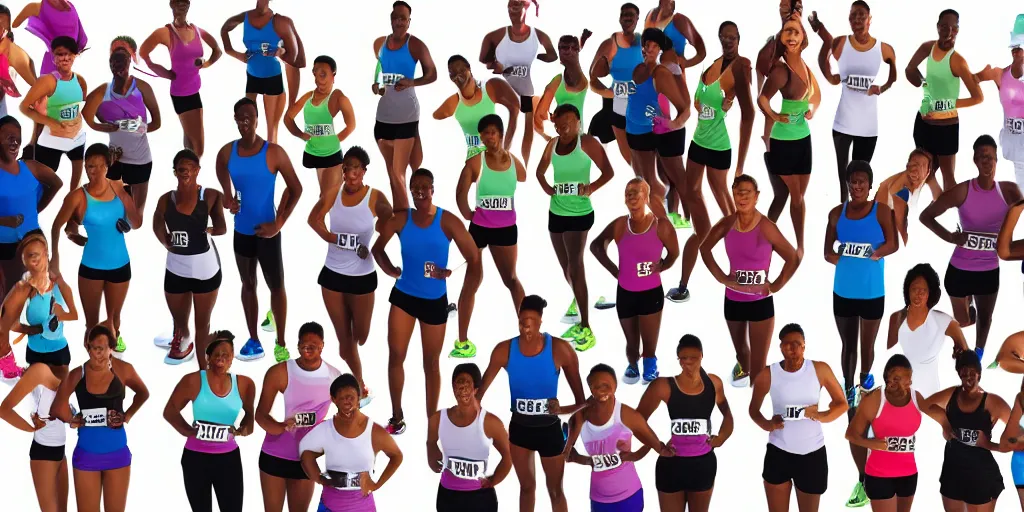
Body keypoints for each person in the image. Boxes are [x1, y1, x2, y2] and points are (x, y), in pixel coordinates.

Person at [371, 168, 480, 435]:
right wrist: (390, 270)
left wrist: (450, 271)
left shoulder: (448, 221)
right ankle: (397, 416)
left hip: (434, 301)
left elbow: (474, 255)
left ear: (433, 189)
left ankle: (432, 421)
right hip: (404, 297)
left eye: (425, 187)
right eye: (415, 187)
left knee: (431, 363)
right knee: (396, 356)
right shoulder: (401, 219)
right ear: (410, 190)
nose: (420, 191)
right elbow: (377, 248)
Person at [823, 160, 899, 507]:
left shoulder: (881, 211)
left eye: (862, 182)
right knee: (847, 344)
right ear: (848, 184)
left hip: (872, 291)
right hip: (843, 290)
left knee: (867, 346)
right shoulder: (835, 213)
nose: (856, 186)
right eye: (852, 181)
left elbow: (893, 243)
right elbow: (827, 251)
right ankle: (849, 384)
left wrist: (876, 253)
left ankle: (866, 374)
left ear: (869, 185)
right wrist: (838, 257)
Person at [669, 20, 756, 303]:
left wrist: (741, 164)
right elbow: (697, 104)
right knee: (691, 194)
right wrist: (720, 104)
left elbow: (749, 115)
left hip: (719, 147)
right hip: (698, 143)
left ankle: (745, 258)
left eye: (732, 37)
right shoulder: (711, 66)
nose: (728, 41)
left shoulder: (741, 67)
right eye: (724, 36)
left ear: (739, 38)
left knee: (731, 214)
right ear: (719, 38)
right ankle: (688, 276)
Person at [478, 294, 586, 512]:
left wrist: (564, 419)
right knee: (526, 488)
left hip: (550, 431)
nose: (524, 330)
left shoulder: (560, 349)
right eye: (521, 323)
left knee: (555, 490)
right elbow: (479, 394)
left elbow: (582, 403)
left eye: (529, 325)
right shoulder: (504, 351)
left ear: (540, 323)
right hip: (520, 430)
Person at [215, 97, 302, 363]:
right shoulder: (227, 152)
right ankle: (253, 338)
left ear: (257, 120)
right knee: (247, 284)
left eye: (249, 117)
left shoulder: (273, 152)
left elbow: (295, 188)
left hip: (268, 233)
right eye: (239, 117)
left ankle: (281, 342)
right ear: (235, 119)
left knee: (276, 285)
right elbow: (220, 167)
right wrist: (227, 196)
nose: (244, 122)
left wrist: (279, 223)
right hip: (241, 231)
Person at [920, 135, 1021, 363]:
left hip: (988, 269)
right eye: (982, 157)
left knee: (986, 318)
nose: (987, 161)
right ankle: (968, 307)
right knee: (965, 321)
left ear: (997, 160)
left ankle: (978, 354)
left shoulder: (1009, 191)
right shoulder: (963, 191)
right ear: (975, 160)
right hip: (960, 270)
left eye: (991, 157)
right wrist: (950, 237)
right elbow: (926, 216)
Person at [699, 175, 800, 387]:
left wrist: (775, 286)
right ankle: (742, 365)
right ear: (733, 195)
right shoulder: (727, 223)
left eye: (748, 192)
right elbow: (704, 248)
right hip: (733, 300)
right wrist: (722, 278)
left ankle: (755, 412)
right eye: (738, 192)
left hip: (760, 304)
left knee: (757, 370)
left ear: (757, 197)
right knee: (743, 357)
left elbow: (793, 256)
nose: (743, 196)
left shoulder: (766, 227)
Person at [309, 147, 391, 405]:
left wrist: (379, 238)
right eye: (346, 168)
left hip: (363, 276)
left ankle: (350, 347)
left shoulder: (375, 197)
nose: (350, 173)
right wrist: (334, 238)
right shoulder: (333, 193)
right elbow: (314, 220)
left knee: (362, 336)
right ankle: (359, 384)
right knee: (346, 343)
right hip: (332, 274)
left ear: (364, 171)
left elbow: (393, 222)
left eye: (355, 168)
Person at [535, 103, 614, 349]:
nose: (563, 127)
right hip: (556, 212)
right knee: (566, 268)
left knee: (576, 264)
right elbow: (539, 172)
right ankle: (581, 307)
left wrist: (590, 188)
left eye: (568, 122)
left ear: (578, 122)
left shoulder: (588, 143)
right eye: (558, 123)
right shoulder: (552, 145)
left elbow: (608, 172)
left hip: (579, 213)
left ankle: (587, 326)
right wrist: (549, 189)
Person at [50, 143, 141, 354]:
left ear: (108, 166)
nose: (96, 171)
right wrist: (56, 257)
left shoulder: (120, 188)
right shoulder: (77, 197)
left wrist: (126, 203)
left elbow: (137, 223)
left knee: (113, 322)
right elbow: (57, 226)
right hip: (91, 267)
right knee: (91, 326)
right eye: (91, 166)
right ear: (85, 167)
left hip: (120, 265)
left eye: (101, 166)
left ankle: (111, 364)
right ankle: (93, 371)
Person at [748, 323, 849, 512]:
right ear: (780, 347)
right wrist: (768, 424)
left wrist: (819, 415)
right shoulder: (768, 374)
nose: (793, 348)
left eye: (797, 343)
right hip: (779, 452)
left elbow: (842, 404)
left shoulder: (820, 369)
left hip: (812, 454)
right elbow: (753, 411)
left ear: (804, 345)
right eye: (787, 343)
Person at [50, 325, 149, 512]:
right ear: (88, 348)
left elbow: (143, 393)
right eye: (95, 348)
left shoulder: (124, 370)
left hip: (117, 455)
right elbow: (57, 407)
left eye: (103, 348)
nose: (99, 354)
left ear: (111, 348)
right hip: (87, 456)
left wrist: (127, 416)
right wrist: (71, 419)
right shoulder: (77, 375)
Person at [453, 114, 527, 358]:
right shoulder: (476, 162)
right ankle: (462, 340)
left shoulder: (513, 163)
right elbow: (461, 193)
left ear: (501, 134)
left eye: (492, 132)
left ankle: (529, 331)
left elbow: (524, 175)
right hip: (480, 228)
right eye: (484, 133)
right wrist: (468, 214)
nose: (488, 137)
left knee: (512, 280)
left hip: (506, 228)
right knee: (472, 280)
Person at [807, 1, 897, 200]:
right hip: (842, 124)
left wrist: (882, 88)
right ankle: (842, 215)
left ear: (869, 19)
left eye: (861, 15)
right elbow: (826, 52)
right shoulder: (841, 43)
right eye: (852, 15)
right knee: (844, 180)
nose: (857, 19)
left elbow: (894, 74)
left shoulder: (883, 49)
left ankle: (860, 215)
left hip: (868, 127)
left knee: (861, 178)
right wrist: (830, 76)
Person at [591, 177, 679, 383]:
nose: (631, 196)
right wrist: (615, 271)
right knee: (631, 345)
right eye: (627, 192)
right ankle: (632, 364)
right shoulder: (620, 225)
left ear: (647, 197)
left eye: (636, 192)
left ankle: (650, 363)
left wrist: (663, 265)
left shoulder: (661, 226)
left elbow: (674, 252)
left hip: (651, 294)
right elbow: (596, 246)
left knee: (649, 344)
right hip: (625, 293)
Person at [635, 334, 734, 512]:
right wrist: (656, 446)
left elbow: (727, 414)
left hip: (703, 465)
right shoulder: (663, 386)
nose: (687, 363)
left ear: (702, 356)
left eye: (693, 358)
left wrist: (722, 437)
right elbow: (636, 421)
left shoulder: (714, 383)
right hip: (671, 466)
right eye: (683, 358)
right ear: (678, 359)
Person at [164, 331, 255, 512]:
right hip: (195, 459)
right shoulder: (194, 380)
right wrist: (188, 431)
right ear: (208, 358)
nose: (221, 359)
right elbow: (170, 411)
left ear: (232, 359)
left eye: (226, 355)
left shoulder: (246, 384)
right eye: (217, 355)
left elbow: (250, 420)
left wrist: (242, 430)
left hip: (228, 459)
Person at [255, 322, 341, 512]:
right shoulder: (280, 372)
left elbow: (346, 415)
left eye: (314, 345)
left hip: (306, 459)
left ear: (323, 345)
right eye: (304, 345)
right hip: (274, 454)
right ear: (297, 345)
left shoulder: (334, 376)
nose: (308, 350)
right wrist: (278, 426)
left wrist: (329, 428)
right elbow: (260, 415)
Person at [563, 363, 673, 511]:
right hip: (599, 498)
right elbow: (572, 456)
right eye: (596, 386)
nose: (602, 390)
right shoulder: (580, 417)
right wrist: (581, 457)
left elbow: (654, 443)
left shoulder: (627, 415)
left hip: (629, 495)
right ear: (590, 388)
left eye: (606, 385)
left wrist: (636, 455)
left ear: (615, 385)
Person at [153, 149, 226, 367]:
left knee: (201, 324)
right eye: (181, 168)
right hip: (176, 268)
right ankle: (182, 338)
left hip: (205, 268)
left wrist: (208, 230)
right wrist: (164, 239)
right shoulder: (166, 199)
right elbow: (157, 222)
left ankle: (204, 371)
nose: (185, 172)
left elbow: (221, 227)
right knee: (180, 320)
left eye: (190, 168)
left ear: (197, 171)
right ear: (174, 172)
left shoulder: (211, 195)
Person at [759, 11, 820, 254]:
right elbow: (762, 99)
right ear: (782, 38)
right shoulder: (781, 71)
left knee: (796, 197)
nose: (792, 35)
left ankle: (796, 243)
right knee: (790, 196)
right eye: (787, 31)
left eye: (796, 31)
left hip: (804, 139)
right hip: (782, 141)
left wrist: (812, 110)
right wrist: (774, 116)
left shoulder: (804, 66)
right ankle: (786, 245)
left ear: (803, 36)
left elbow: (816, 96)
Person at [82, 37, 162, 221]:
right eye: (114, 61)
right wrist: (103, 127)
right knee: (109, 210)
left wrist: (138, 127)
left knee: (136, 218)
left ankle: (123, 213)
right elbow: (87, 113)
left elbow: (157, 123)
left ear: (130, 62)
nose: (119, 65)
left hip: (140, 159)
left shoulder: (142, 87)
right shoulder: (104, 90)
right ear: (110, 64)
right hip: (115, 159)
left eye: (123, 60)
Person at [298, 374, 404, 512]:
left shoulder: (374, 431)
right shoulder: (326, 429)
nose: (347, 402)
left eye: (351, 397)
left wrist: (377, 485)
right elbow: (305, 453)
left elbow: (397, 456)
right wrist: (319, 478)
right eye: (342, 398)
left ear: (359, 397)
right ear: (333, 399)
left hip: (363, 507)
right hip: (329, 506)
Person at [905, 9, 984, 191]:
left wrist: (950, 103)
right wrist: (923, 83)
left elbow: (978, 97)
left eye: (953, 28)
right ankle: (929, 209)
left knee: (948, 180)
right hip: (924, 123)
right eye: (944, 27)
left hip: (946, 126)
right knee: (923, 174)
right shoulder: (927, 48)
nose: (948, 32)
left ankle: (958, 216)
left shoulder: (958, 61)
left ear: (957, 30)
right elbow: (909, 69)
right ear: (938, 27)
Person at [373, 1, 436, 212]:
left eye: (403, 18)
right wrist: (377, 86)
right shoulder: (380, 44)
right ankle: (401, 219)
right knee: (392, 173)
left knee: (400, 172)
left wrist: (412, 81)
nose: (399, 22)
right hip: (383, 116)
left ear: (409, 22)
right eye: (395, 18)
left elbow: (432, 74)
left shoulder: (415, 45)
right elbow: (381, 75)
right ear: (391, 19)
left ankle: (412, 217)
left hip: (407, 115)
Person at [844, 355, 928, 511]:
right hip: (879, 474)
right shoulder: (874, 399)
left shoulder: (916, 397)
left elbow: (938, 412)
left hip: (909, 473)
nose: (906, 383)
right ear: (888, 380)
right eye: (898, 379)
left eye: (908, 379)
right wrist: (871, 443)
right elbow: (851, 434)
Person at [139, 0, 222, 158]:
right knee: (198, 148)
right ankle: (188, 176)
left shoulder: (197, 30)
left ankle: (186, 177)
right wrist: (164, 72)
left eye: (185, 1)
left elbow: (217, 51)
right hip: (181, 93)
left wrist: (205, 63)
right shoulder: (165, 32)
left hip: (195, 90)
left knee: (191, 144)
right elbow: (143, 53)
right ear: (171, 5)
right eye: (178, 2)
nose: (182, 5)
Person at [625, 28, 690, 228]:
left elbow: (684, 108)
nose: (649, 48)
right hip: (636, 132)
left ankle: (683, 222)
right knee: (651, 181)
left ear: (661, 49)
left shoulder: (663, 71)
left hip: (659, 132)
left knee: (671, 180)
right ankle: (672, 221)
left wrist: (673, 125)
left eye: (654, 45)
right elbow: (631, 98)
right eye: (646, 44)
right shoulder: (637, 70)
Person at [479, 0, 557, 166]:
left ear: (526, 7)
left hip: (525, 88)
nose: (512, 9)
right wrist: (494, 65)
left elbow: (553, 55)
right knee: (512, 113)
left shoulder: (537, 35)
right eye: (509, 6)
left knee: (528, 126)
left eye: (516, 5)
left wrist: (541, 57)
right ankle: (501, 158)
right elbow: (483, 58)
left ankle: (523, 165)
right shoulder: (497, 35)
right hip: (503, 85)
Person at [427, 363, 512, 511]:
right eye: (459, 384)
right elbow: (431, 442)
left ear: (476, 388)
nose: (462, 389)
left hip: (480, 498)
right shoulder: (437, 419)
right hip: (447, 496)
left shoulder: (491, 422)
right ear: (453, 388)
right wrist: (433, 459)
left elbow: (509, 455)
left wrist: (493, 480)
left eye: (467, 383)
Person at [930, 351, 1009, 510]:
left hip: (981, 476)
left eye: (973, 372)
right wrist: (944, 422)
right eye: (964, 373)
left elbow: (1019, 436)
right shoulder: (952, 394)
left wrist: (990, 445)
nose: (968, 377)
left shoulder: (993, 402)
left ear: (979, 373)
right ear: (959, 374)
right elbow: (925, 405)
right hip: (952, 472)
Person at [220, 0, 306, 144]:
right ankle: (251, 160)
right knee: (247, 126)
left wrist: (280, 53)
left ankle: (271, 163)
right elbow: (224, 29)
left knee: (271, 133)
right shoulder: (245, 17)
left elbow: (294, 57)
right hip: (252, 76)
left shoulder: (280, 22)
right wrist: (234, 53)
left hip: (272, 77)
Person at [0, 114, 61, 316]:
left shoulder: (30, 168)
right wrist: (5, 221)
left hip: (32, 241)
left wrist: (37, 208)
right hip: (5, 244)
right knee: (7, 294)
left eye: (17, 137)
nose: (14, 141)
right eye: (7, 136)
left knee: (36, 294)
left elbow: (56, 182)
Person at [886, 264, 970, 398]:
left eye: (923, 290)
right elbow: (887, 356)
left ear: (930, 293)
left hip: (931, 394)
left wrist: (959, 356)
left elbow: (968, 358)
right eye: (914, 289)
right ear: (907, 290)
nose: (918, 294)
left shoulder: (942, 321)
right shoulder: (897, 318)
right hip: (901, 392)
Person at [0, 234, 77, 381]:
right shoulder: (24, 288)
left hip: (60, 351)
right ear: (24, 261)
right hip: (36, 353)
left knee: (60, 396)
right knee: (41, 397)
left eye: (38, 253)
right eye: (28, 256)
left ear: (46, 253)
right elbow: (5, 322)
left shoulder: (55, 276)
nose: (34, 258)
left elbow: (74, 314)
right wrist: (32, 330)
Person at [755, 0, 802, 225]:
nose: (793, 13)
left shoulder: (795, 46)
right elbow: (761, 98)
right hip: (775, 136)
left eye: (796, 9)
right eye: (788, 9)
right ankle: (763, 237)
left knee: (786, 195)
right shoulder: (774, 52)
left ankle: (764, 236)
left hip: (791, 134)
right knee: (782, 194)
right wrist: (773, 118)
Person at [19, 36, 87, 190]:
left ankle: (73, 212)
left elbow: (81, 108)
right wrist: (50, 122)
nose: (65, 58)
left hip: (76, 138)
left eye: (68, 54)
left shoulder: (81, 81)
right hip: (51, 140)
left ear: (74, 56)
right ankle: (28, 211)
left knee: (76, 188)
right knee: (41, 186)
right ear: (53, 58)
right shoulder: (47, 81)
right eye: (60, 54)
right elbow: (24, 107)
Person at [0, 361, 68, 512]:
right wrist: (31, 428)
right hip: (44, 453)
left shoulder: (65, 371)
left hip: (61, 451)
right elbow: (4, 410)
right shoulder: (39, 371)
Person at [283, 55, 355, 191]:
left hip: (332, 154)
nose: (318, 79)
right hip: (313, 153)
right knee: (325, 195)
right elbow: (287, 118)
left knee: (331, 196)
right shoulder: (308, 96)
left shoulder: (339, 97)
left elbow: (351, 125)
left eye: (323, 74)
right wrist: (300, 134)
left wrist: (335, 139)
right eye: (315, 74)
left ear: (333, 75)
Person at [434, 54, 519, 161]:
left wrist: (505, 148)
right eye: (452, 73)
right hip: (473, 161)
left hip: (496, 159)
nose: (457, 76)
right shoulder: (454, 102)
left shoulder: (490, 88)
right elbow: (434, 117)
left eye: (461, 70)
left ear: (469, 68)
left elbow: (515, 106)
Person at [588, 3, 643, 165]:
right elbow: (592, 77)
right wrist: (607, 93)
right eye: (624, 14)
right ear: (619, 18)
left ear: (637, 19)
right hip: (616, 105)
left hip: (641, 105)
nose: (627, 17)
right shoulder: (609, 44)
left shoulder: (645, 41)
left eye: (631, 14)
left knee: (648, 153)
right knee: (628, 155)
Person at [974, 15, 1024, 192]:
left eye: (1020, 47)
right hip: (1015, 145)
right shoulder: (1000, 75)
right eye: (1014, 46)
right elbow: (972, 80)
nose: (1016, 51)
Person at [874, 149, 942, 245]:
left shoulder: (925, 178)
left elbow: (941, 201)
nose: (915, 170)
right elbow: (901, 226)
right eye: (913, 165)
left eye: (921, 166)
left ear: (928, 170)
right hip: (882, 229)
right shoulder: (901, 190)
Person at [534, 32, 591, 139]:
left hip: (570, 135)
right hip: (571, 134)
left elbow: (540, 115)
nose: (564, 51)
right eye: (562, 48)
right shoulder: (560, 79)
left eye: (568, 48)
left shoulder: (560, 80)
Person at [13, 0, 86, 77]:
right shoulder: (70, 7)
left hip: (53, 63)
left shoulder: (36, 7)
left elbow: (14, 25)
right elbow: (82, 39)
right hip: (65, 64)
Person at [643, 0, 706, 69]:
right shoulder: (650, 14)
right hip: (650, 73)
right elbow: (644, 44)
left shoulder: (679, 20)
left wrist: (685, 63)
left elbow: (701, 52)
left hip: (672, 75)